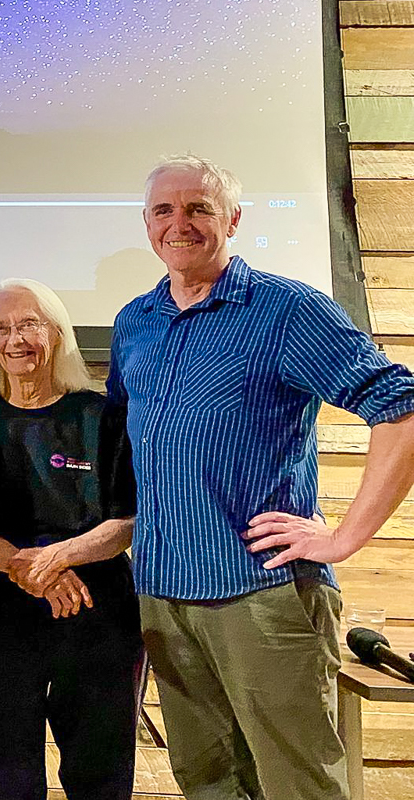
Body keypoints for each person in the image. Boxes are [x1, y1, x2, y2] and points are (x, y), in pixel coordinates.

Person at [109, 155, 414, 800]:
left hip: (260, 592)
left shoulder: (287, 311)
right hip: (164, 595)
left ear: (234, 219)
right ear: (147, 224)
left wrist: (343, 539)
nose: (180, 223)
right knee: (207, 781)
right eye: (164, 210)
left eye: (199, 208)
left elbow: (401, 407)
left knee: (295, 784)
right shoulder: (135, 321)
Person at [0, 278, 141, 800]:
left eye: (30, 324)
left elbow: (127, 520)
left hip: (96, 605)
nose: (16, 339)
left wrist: (55, 559)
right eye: (2, 328)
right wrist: (29, 572)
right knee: (8, 765)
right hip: (4, 605)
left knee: (99, 765)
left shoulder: (101, 414)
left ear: (57, 334)